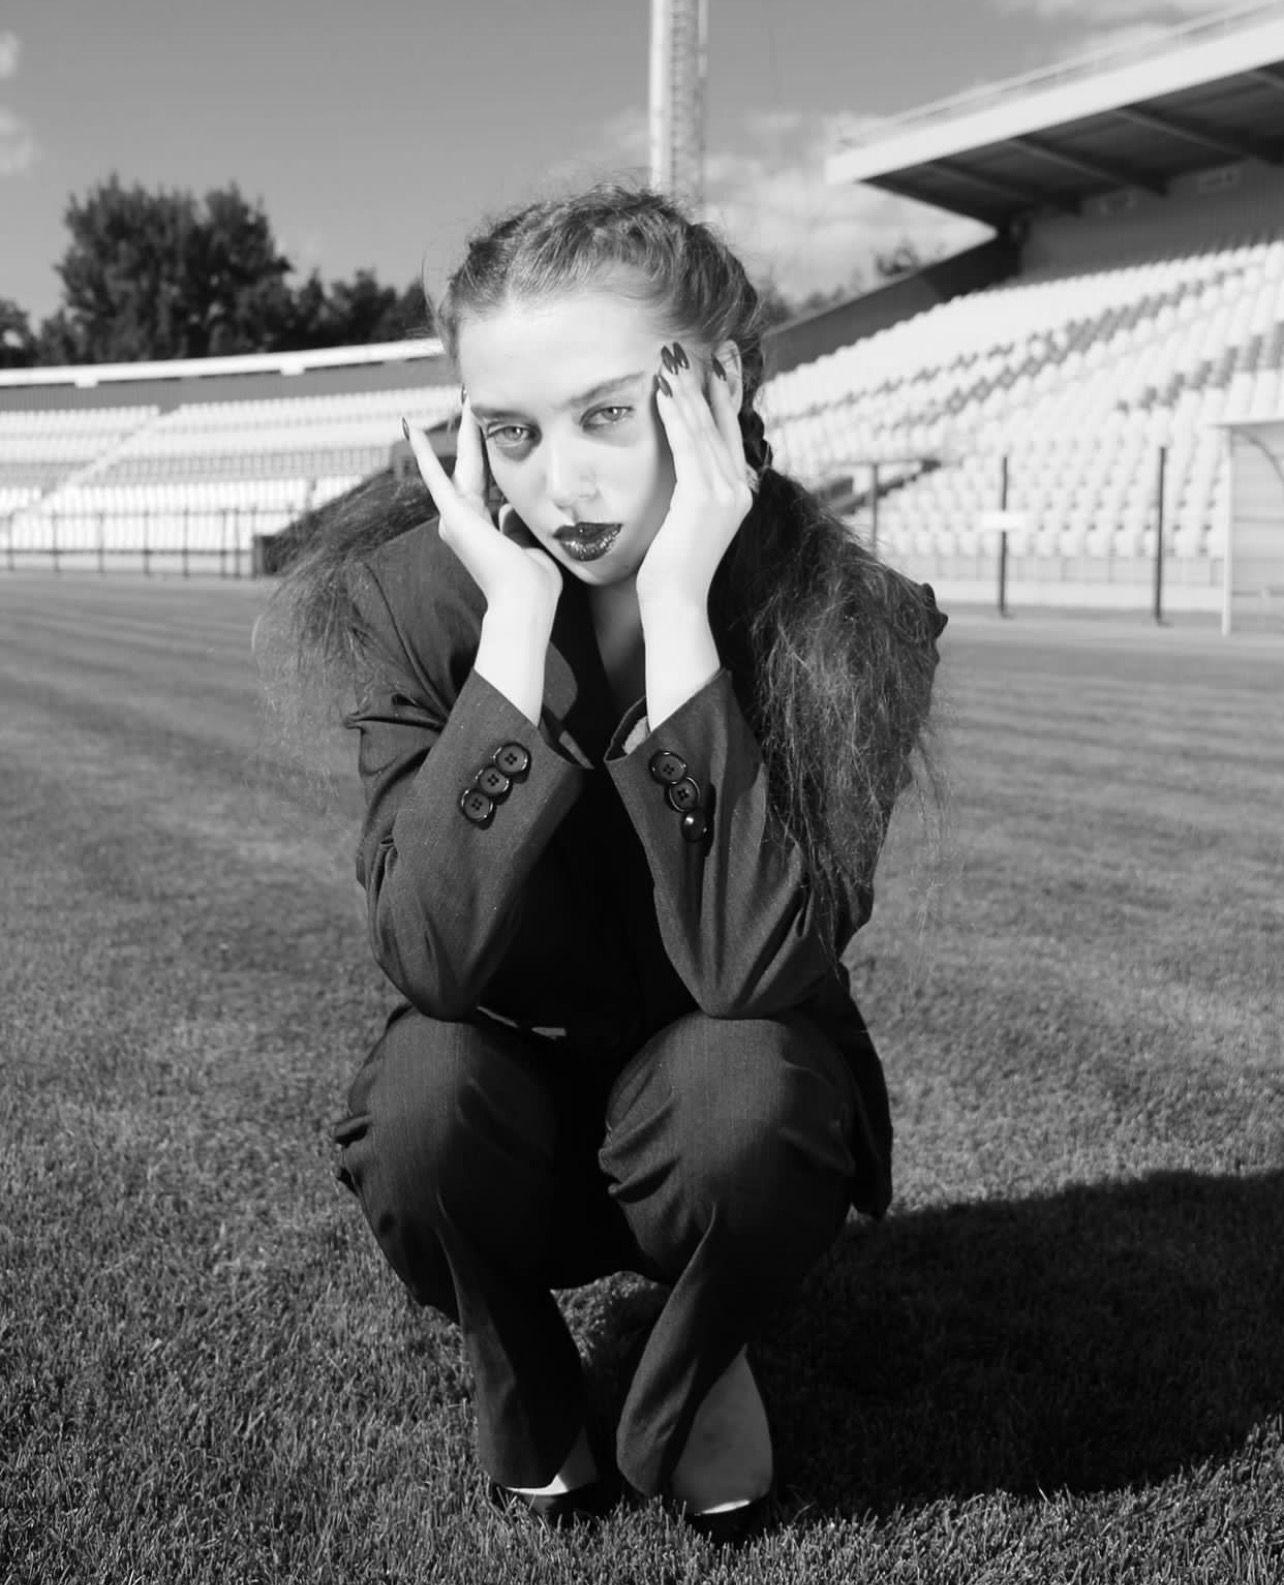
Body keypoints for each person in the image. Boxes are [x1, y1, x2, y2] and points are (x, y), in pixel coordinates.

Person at [270, 182, 946, 1541]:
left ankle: (697, 1356)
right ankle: (512, 1352)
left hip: (720, 1104)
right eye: (510, 431)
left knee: (746, 1085)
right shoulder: (417, 600)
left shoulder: (847, 614)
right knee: (420, 1094)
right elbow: (430, 956)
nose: (557, 483)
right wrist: (515, 639)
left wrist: (681, 617)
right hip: (510, 1106)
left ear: (716, 383)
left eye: (604, 415)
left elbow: (758, 963)